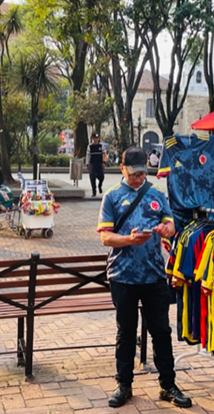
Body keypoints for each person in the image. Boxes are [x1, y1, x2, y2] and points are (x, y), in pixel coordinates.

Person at [97, 147, 191, 409]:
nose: (139, 178)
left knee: (161, 331)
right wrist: (128, 240)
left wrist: (165, 229)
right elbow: (105, 237)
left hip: (153, 275)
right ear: (122, 170)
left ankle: (168, 385)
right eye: (134, 174)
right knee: (126, 332)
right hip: (123, 275)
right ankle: (124, 384)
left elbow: (170, 224)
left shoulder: (156, 194)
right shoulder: (112, 197)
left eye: (142, 174)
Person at [87, 133, 106, 198]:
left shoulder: (101, 146)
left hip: (99, 163)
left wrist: (104, 162)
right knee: (92, 178)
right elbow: (88, 155)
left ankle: (100, 186)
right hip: (93, 164)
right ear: (93, 139)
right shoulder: (90, 146)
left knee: (101, 177)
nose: (96, 140)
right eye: (94, 138)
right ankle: (94, 192)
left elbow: (104, 154)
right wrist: (87, 163)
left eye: (97, 138)